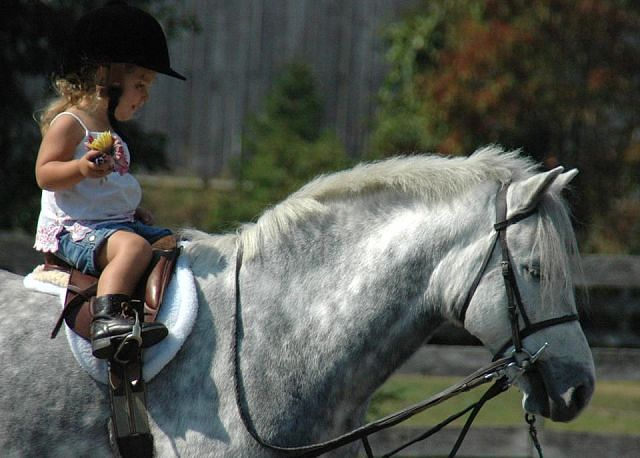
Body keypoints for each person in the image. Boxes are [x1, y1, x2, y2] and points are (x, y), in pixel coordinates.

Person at [34, 1, 186, 360]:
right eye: (140, 84)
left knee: (171, 242)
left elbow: (107, 190)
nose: (145, 95)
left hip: (110, 223)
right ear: (107, 76)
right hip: (75, 230)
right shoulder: (72, 123)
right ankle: (108, 319)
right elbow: (44, 173)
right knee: (134, 249)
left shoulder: (108, 131)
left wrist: (135, 211)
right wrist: (80, 169)